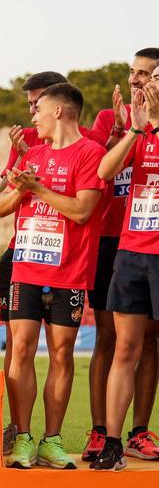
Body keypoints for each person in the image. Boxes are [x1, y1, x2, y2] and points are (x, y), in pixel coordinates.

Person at [0, 83, 105, 469]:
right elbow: (0, 207)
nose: (33, 116)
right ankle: (23, 438)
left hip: (68, 273)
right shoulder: (33, 154)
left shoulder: (91, 153)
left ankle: (52, 440)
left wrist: (38, 189)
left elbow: (82, 211)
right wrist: (22, 191)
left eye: (38, 108)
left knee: (62, 354)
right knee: (21, 350)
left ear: (58, 111)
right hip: (26, 267)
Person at [84, 51, 159, 462]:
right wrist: (131, 128)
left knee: (149, 344)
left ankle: (140, 430)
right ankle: (108, 438)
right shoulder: (128, 124)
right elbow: (103, 169)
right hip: (126, 249)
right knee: (118, 344)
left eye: (147, 75)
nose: (138, 81)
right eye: (135, 74)